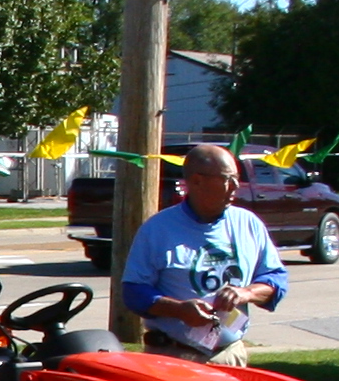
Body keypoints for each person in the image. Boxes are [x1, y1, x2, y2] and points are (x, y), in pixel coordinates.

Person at [121, 142, 288, 365]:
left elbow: (276, 279)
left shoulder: (248, 223)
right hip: (174, 356)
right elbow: (133, 293)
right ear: (197, 181)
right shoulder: (158, 229)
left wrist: (245, 293)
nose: (236, 185)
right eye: (227, 178)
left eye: (237, 177)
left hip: (229, 354)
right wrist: (179, 310)